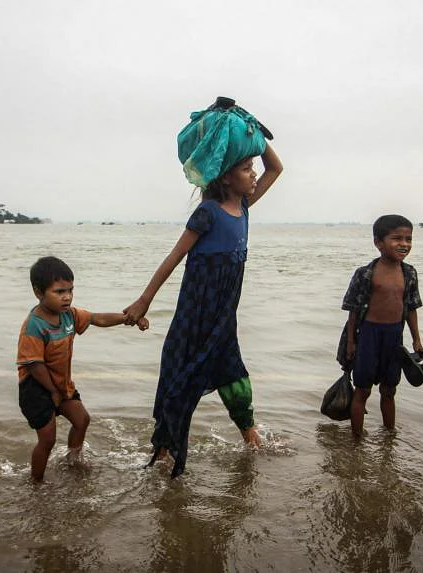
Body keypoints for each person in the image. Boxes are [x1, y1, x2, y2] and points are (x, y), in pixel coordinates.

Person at [124, 103, 283, 478]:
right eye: (246, 168)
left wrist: (253, 127)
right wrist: (144, 301)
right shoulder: (209, 213)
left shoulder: (244, 206)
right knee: (179, 381)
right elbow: (174, 257)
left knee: (234, 376)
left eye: (251, 166)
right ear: (226, 178)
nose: (254, 173)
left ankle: (252, 440)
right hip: (195, 316)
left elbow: (276, 167)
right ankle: (163, 452)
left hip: (224, 317)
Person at [17, 256, 148, 481]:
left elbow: (98, 319)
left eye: (70, 290)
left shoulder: (69, 315)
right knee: (47, 440)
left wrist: (129, 319)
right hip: (36, 388)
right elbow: (35, 365)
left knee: (81, 419)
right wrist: (52, 391)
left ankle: (73, 461)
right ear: (38, 293)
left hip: (61, 383)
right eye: (59, 292)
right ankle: (36, 482)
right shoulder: (34, 325)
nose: (66, 296)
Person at [341, 214, 423, 437]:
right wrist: (351, 342)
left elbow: (412, 308)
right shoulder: (365, 273)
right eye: (397, 238)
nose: (404, 244)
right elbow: (353, 312)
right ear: (378, 242)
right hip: (368, 335)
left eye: (408, 239)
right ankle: (356, 441)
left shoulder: (409, 273)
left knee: (389, 390)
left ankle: (389, 439)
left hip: (394, 336)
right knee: (362, 390)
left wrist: (416, 339)